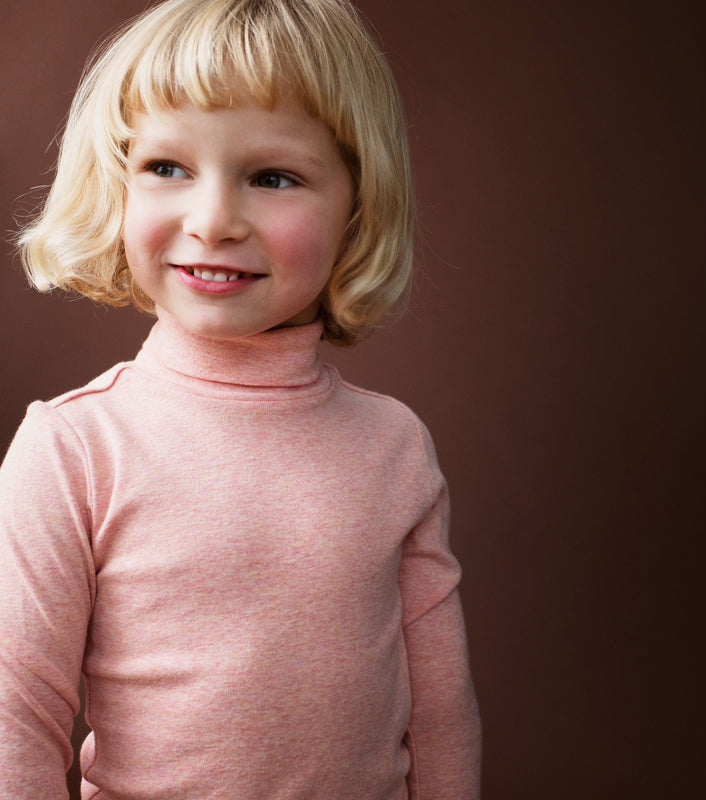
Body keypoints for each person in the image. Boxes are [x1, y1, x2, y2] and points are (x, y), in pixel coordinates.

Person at [0, 0, 481, 797]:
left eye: (271, 177)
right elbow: (15, 721)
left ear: (356, 207)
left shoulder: (394, 444)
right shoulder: (73, 449)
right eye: (167, 167)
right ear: (115, 184)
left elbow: (441, 713)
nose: (214, 220)